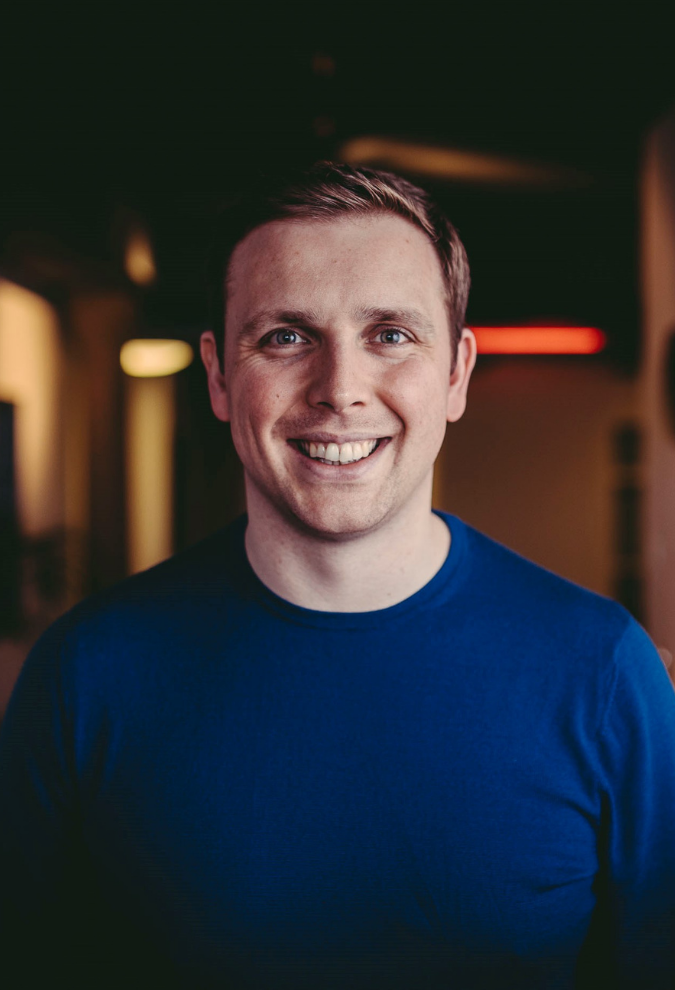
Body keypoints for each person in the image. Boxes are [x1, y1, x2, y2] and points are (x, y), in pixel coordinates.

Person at [1, 162, 674, 989]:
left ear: (456, 372)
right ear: (217, 375)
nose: (340, 390)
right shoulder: (85, 674)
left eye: (390, 334)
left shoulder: (602, 670)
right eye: (285, 335)